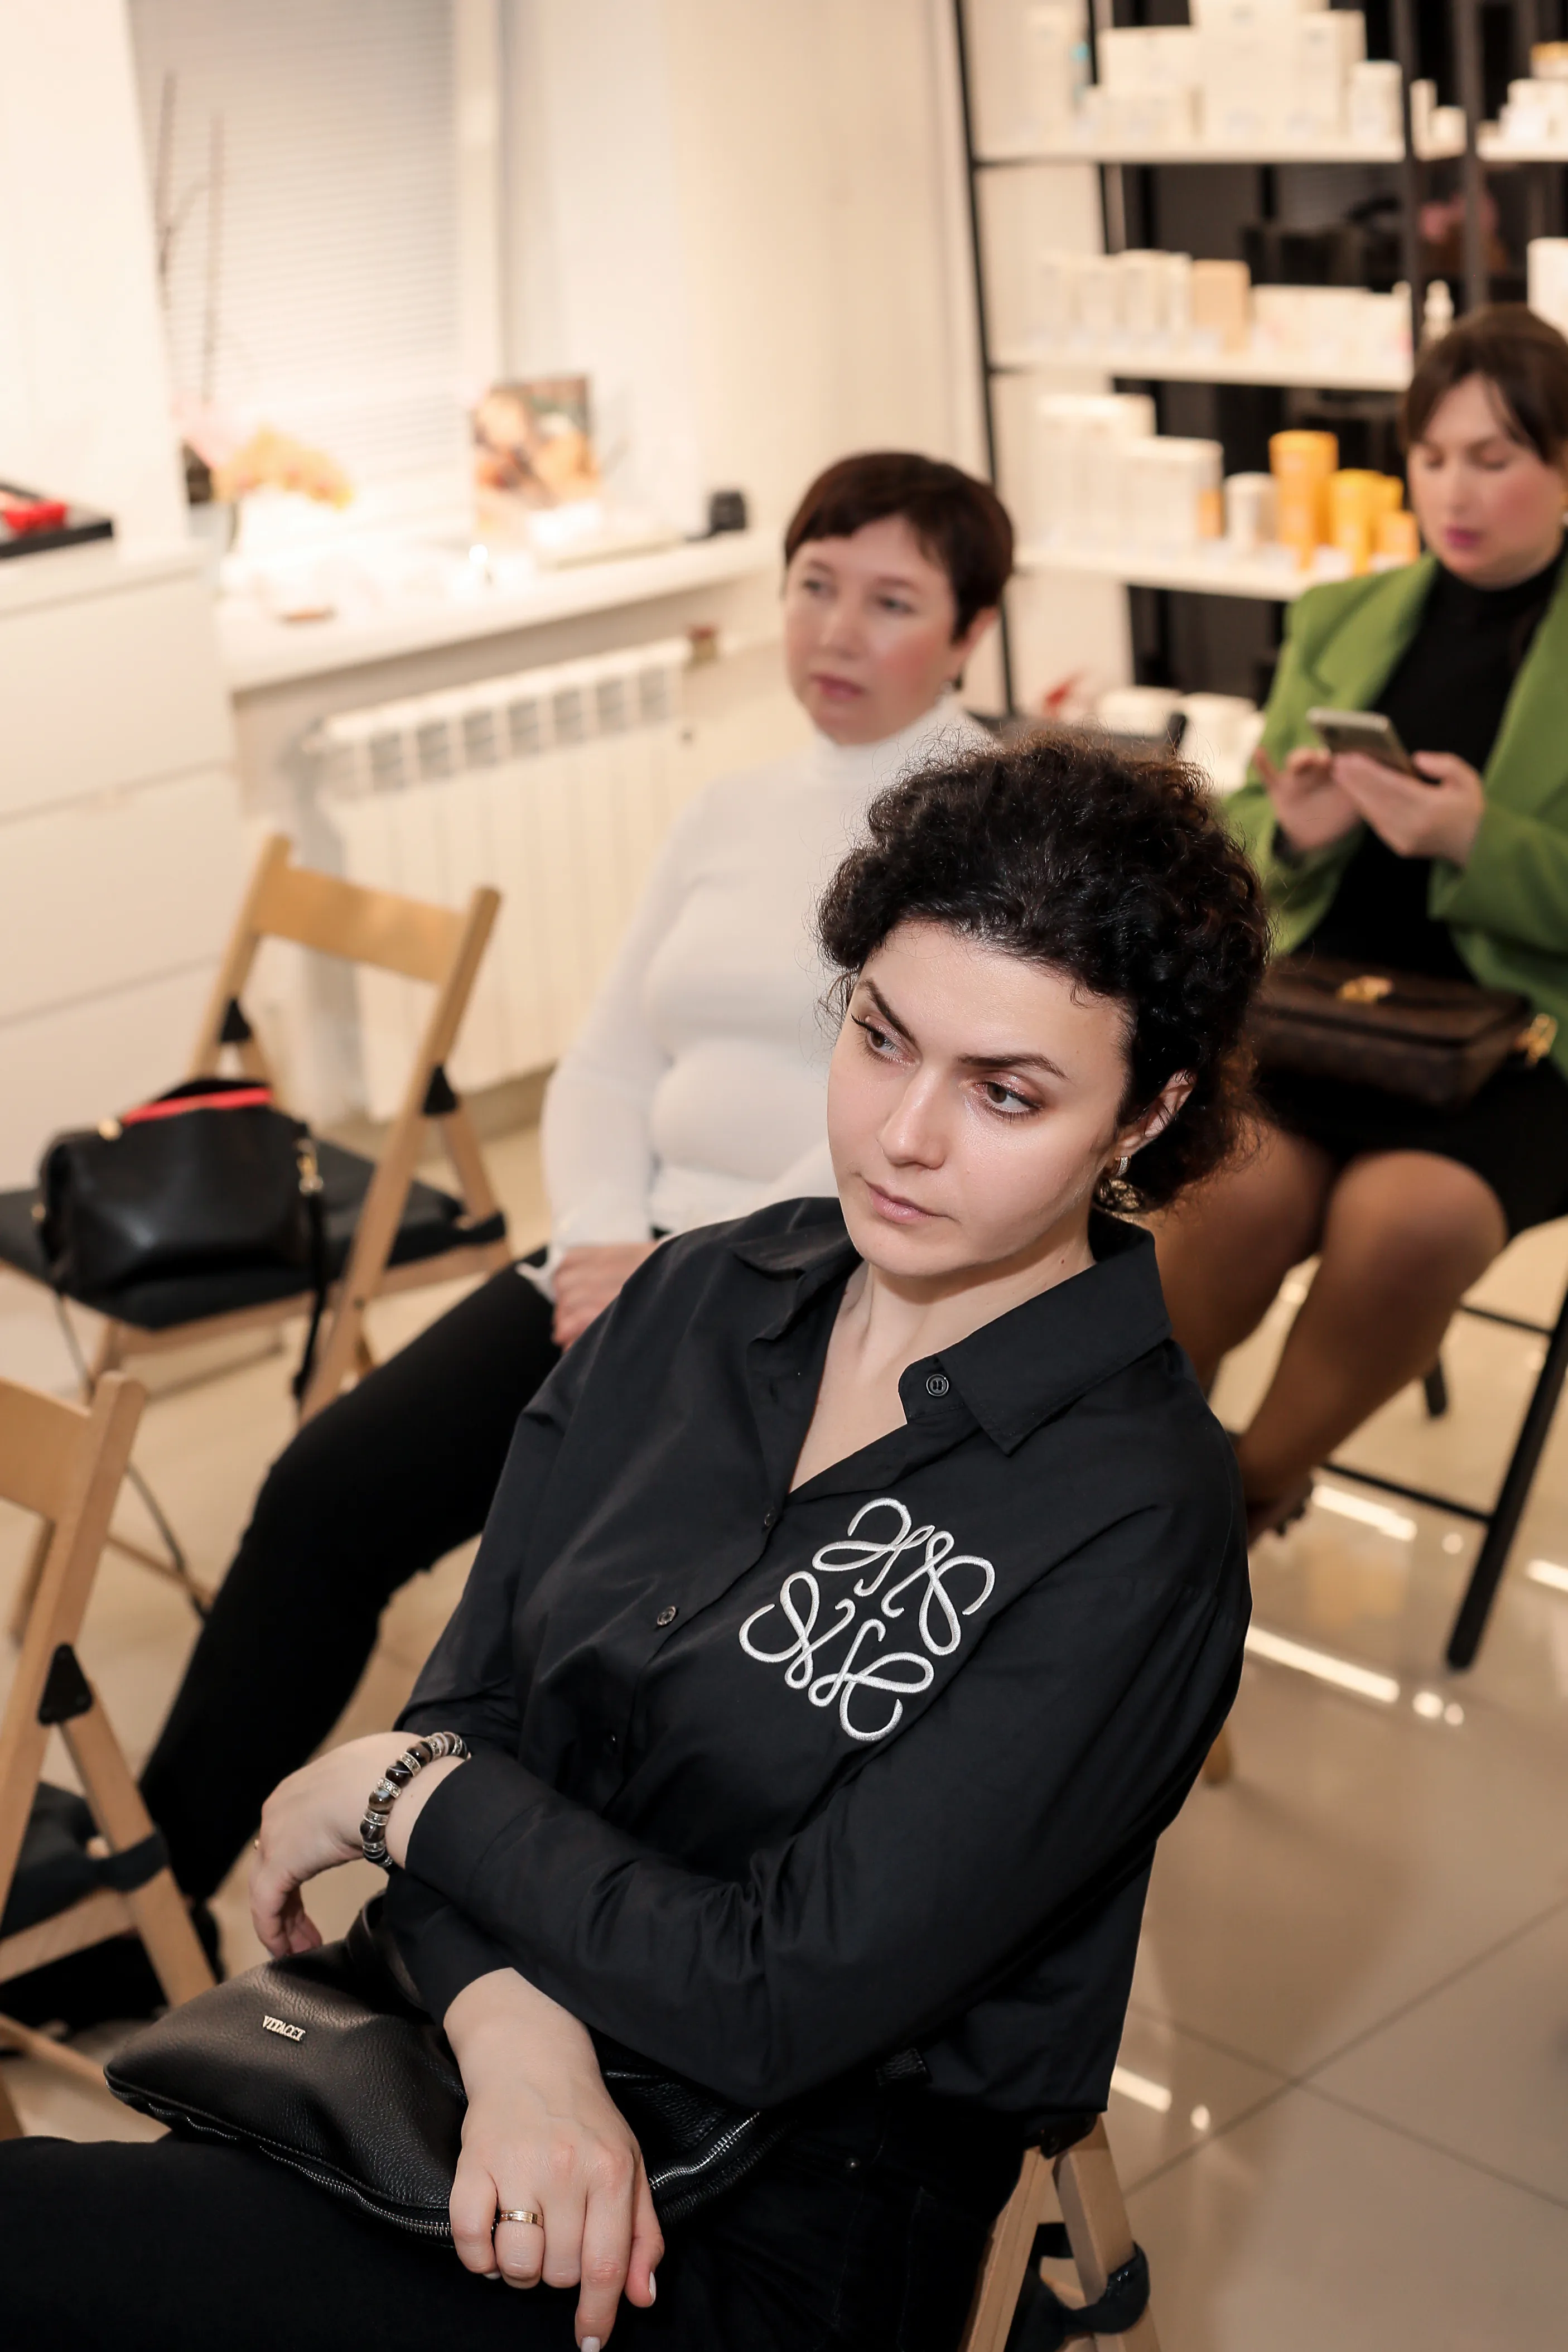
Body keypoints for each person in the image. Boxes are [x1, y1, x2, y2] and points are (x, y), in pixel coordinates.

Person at [0, 738, 1262, 2352]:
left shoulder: (1135, 1521)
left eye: (1004, 1092)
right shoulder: (696, 1296)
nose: (901, 1134)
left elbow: (772, 1988)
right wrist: (518, 2041)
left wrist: (409, 1800)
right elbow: (468, 1722)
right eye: (880, 1037)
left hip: (769, 2206)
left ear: (1147, 1112)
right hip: (467, 2052)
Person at [6, 452, 1011, 2037]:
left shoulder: (988, 837)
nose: (834, 628)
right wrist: (603, 1237)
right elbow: (604, 1059)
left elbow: (911, 1124)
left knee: (553, 1611)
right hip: (611, 1266)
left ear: (970, 633)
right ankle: (163, 1884)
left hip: (804, 1292)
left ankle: (472, 1964)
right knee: (327, 1490)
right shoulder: (732, 808)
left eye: (890, 601)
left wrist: (681, 1271)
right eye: (813, 583)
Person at [1157, 304, 1568, 1537]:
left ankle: (1233, 1502)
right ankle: (1129, 1484)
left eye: (1493, 457)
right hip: (1328, 1015)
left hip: (1524, 1045)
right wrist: (1294, 832)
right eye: (1432, 457)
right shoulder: (1344, 617)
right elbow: (1234, 836)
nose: (1455, 491)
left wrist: (1478, 843)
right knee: (1218, 1197)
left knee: (1406, 1224)